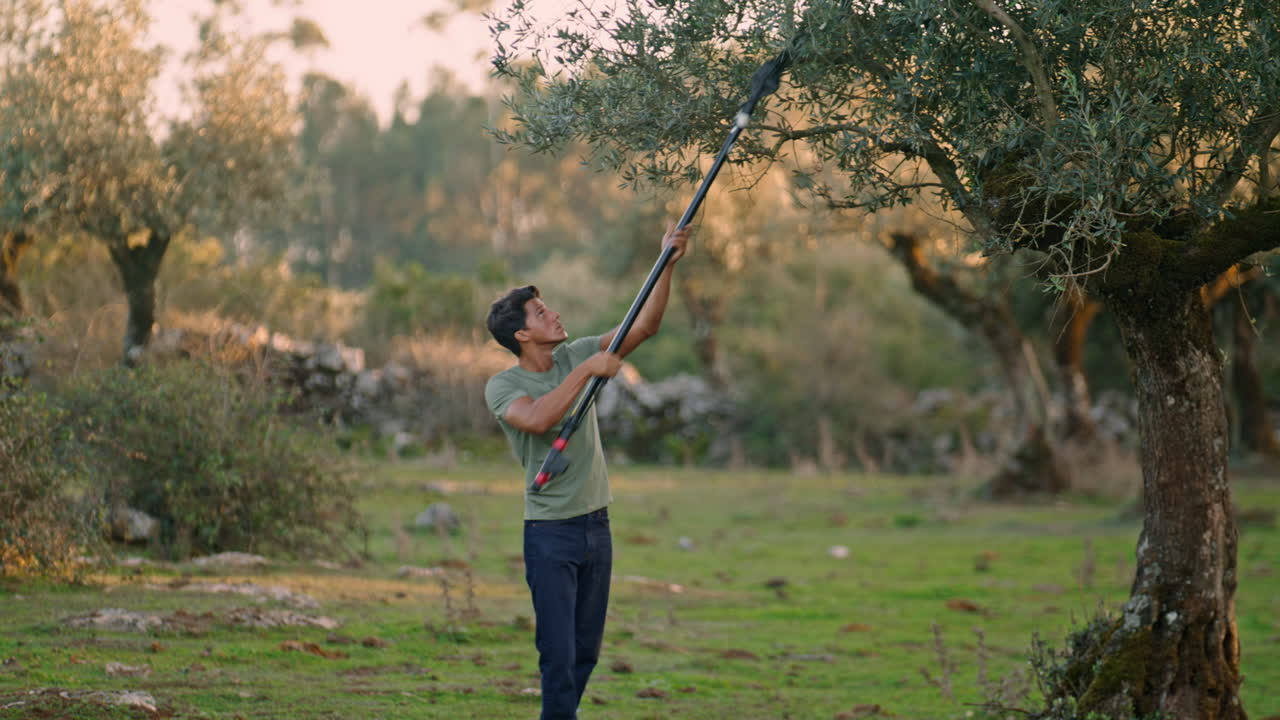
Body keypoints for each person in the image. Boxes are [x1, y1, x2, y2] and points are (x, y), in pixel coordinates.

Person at [484, 222, 690, 720]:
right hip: (550, 534)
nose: (553, 313)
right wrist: (586, 371)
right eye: (540, 312)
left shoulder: (575, 353)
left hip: (597, 527)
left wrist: (666, 263)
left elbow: (643, 328)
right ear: (522, 334)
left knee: (585, 655)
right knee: (557, 659)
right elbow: (537, 419)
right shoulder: (502, 386)